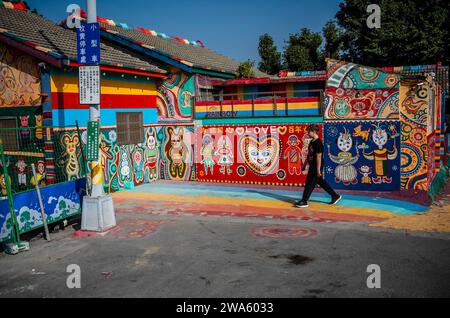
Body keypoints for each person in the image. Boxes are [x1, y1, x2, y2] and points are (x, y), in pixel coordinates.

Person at [295, 124, 341, 208]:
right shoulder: (312, 141)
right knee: (320, 182)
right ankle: (335, 196)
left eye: (309, 131)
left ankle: (304, 201)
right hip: (312, 164)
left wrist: (318, 170)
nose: (308, 133)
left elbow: (319, 156)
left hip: (316, 165)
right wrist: (305, 164)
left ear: (314, 132)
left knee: (310, 183)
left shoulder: (318, 143)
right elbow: (309, 154)